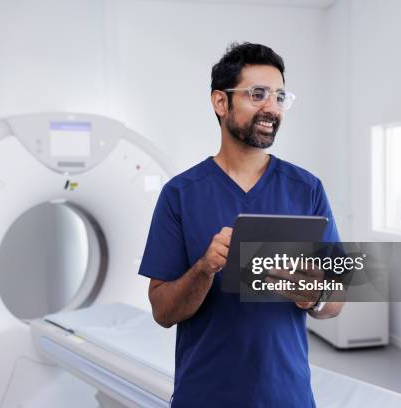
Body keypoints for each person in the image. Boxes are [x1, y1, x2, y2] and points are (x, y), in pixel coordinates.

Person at [138, 42, 344, 408]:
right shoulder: (180, 194)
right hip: (204, 396)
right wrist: (205, 268)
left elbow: (337, 300)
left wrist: (315, 297)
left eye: (280, 97)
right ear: (221, 102)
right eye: (258, 94)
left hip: (288, 396)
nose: (272, 107)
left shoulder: (306, 189)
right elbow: (162, 312)